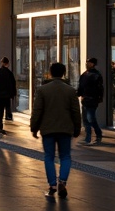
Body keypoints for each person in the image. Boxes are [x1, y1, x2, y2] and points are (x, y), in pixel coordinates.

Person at [30, 62, 81, 198]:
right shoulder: (70, 90)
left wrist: (34, 127)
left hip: (48, 129)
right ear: (64, 73)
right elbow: (76, 111)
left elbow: (37, 111)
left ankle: (52, 185)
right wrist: (77, 128)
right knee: (65, 156)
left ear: (51, 73)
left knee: (49, 157)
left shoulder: (42, 90)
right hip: (65, 129)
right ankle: (62, 181)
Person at [77, 57, 105, 145]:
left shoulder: (95, 75)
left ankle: (98, 134)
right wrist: (79, 94)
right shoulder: (84, 74)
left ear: (93, 64)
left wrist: (98, 98)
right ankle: (88, 137)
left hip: (91, 99)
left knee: (90, 118)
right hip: (85, 99)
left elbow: (100, 88)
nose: (86, 64)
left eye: (88, 62)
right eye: (86, 62)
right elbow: (81, 87)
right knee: (85, 119)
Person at [0, 56, 16, 136]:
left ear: (1, 63)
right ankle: (8, 116)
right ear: (8, 63)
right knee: (7, 106)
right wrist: (12, 94)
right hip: (7, 95)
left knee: (0, 109)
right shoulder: (9, 73)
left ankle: (0, 125)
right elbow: (13, 84)